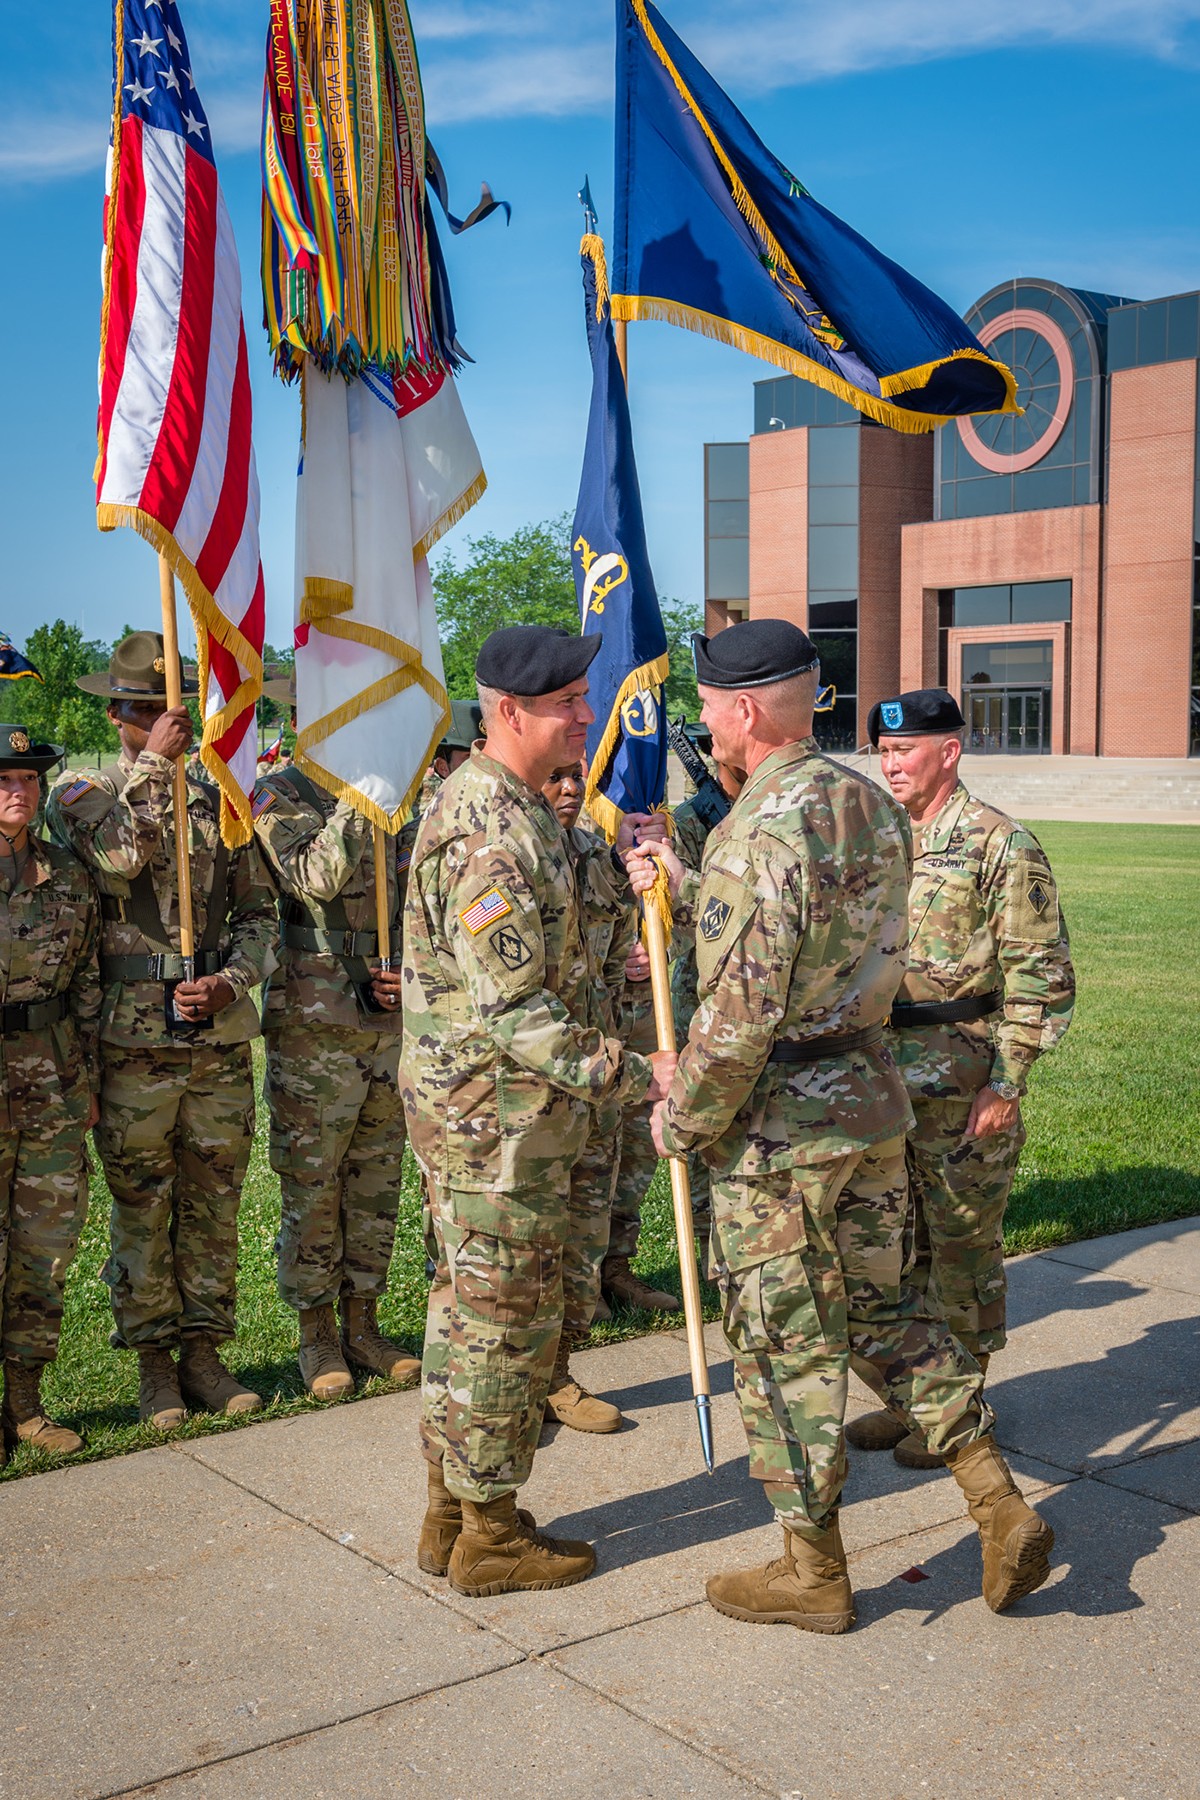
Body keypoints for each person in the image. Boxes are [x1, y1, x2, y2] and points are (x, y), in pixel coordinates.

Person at [631, 619, 1054, 1633]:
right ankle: (996, 1500)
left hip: (780, 1126)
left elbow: (738, 1019)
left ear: (744, 710)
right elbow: (833, 948)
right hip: (869, 1095)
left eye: (708, 710)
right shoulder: (868, 802)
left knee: (783, 1343)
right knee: (886, 1313)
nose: (704, 727)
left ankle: (812, 1570)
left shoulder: (756, 831)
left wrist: (682, 1121)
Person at [401, 625, 675, 1596]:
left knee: (467, 1318)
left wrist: (627, 865)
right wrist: (648, 1075)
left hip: (499, 1122)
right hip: (497, 1125)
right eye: (567, 702)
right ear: (510, 713)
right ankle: (491, 1533)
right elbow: (517, 1010)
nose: (586, 714)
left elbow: (561, 929)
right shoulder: (487, 829)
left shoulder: (520, 812)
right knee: (504, 1328)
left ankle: (450, 1512)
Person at [47, 633, 278, 1431]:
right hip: (131, 1041)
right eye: (144, 711)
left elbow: (258, 911)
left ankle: (206, 1355)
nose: (161, 723)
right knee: (143, 1206)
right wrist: (157, 770)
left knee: (215, 1204)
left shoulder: (221, 793)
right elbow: (117, 859)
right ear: (117, 716)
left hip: (212, 1034)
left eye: (170, 711)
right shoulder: (83, 789)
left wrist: (233, 981)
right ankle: (154, 1367)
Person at [847, 689, 1075, 1467]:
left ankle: (965, 1409)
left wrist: (1005, 1085)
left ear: (950, 750)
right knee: (895, 1253)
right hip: (886, 1087)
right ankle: (918, 1401)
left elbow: (1041, 976)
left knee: (961, 1253)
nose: (891, 763)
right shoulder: (883, 838)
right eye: (882, 751)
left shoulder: (1000, 845)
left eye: (905, 750)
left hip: (962, 1087)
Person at [251, 674, 421, 1402]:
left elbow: (420, 893)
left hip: (384, 1014)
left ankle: (365, 1322)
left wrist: (407, 970)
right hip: (313, 1026)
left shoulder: (394, 799)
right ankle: (317, 1333)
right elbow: (315, 876)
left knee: (377, 1178)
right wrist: (362, 798)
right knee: (314, 1184)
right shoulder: (275, 794)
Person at [0, 725, 100, 1463]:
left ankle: (25, 1405)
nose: (18, 791)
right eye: (5, 778)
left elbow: (88, 983)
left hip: (54, 1082)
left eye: (29, 780)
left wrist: (87, 1077)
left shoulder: (66, 872)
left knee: (45, 1250)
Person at [540, 757, 637, 1430]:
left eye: (577, 777)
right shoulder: (500, 854)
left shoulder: (589, 855)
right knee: (517, 1248)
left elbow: (613, 956)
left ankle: (558, 1373)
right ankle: (508, 1386)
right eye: (555, 777)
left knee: (581, 1230)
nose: (571, 789)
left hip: (595, 1075)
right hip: (525, 1084)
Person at [668, 724, 745, 1268]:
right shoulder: (690, 822)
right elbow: (683, 917)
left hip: (754, 994)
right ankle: (702, 1250)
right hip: (700, 992)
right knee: (700, 1127)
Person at [416, 699, 483, 813]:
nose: (486, 764)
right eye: (471, 757)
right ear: (443, 767)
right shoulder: (428, 829)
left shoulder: (517, 819)